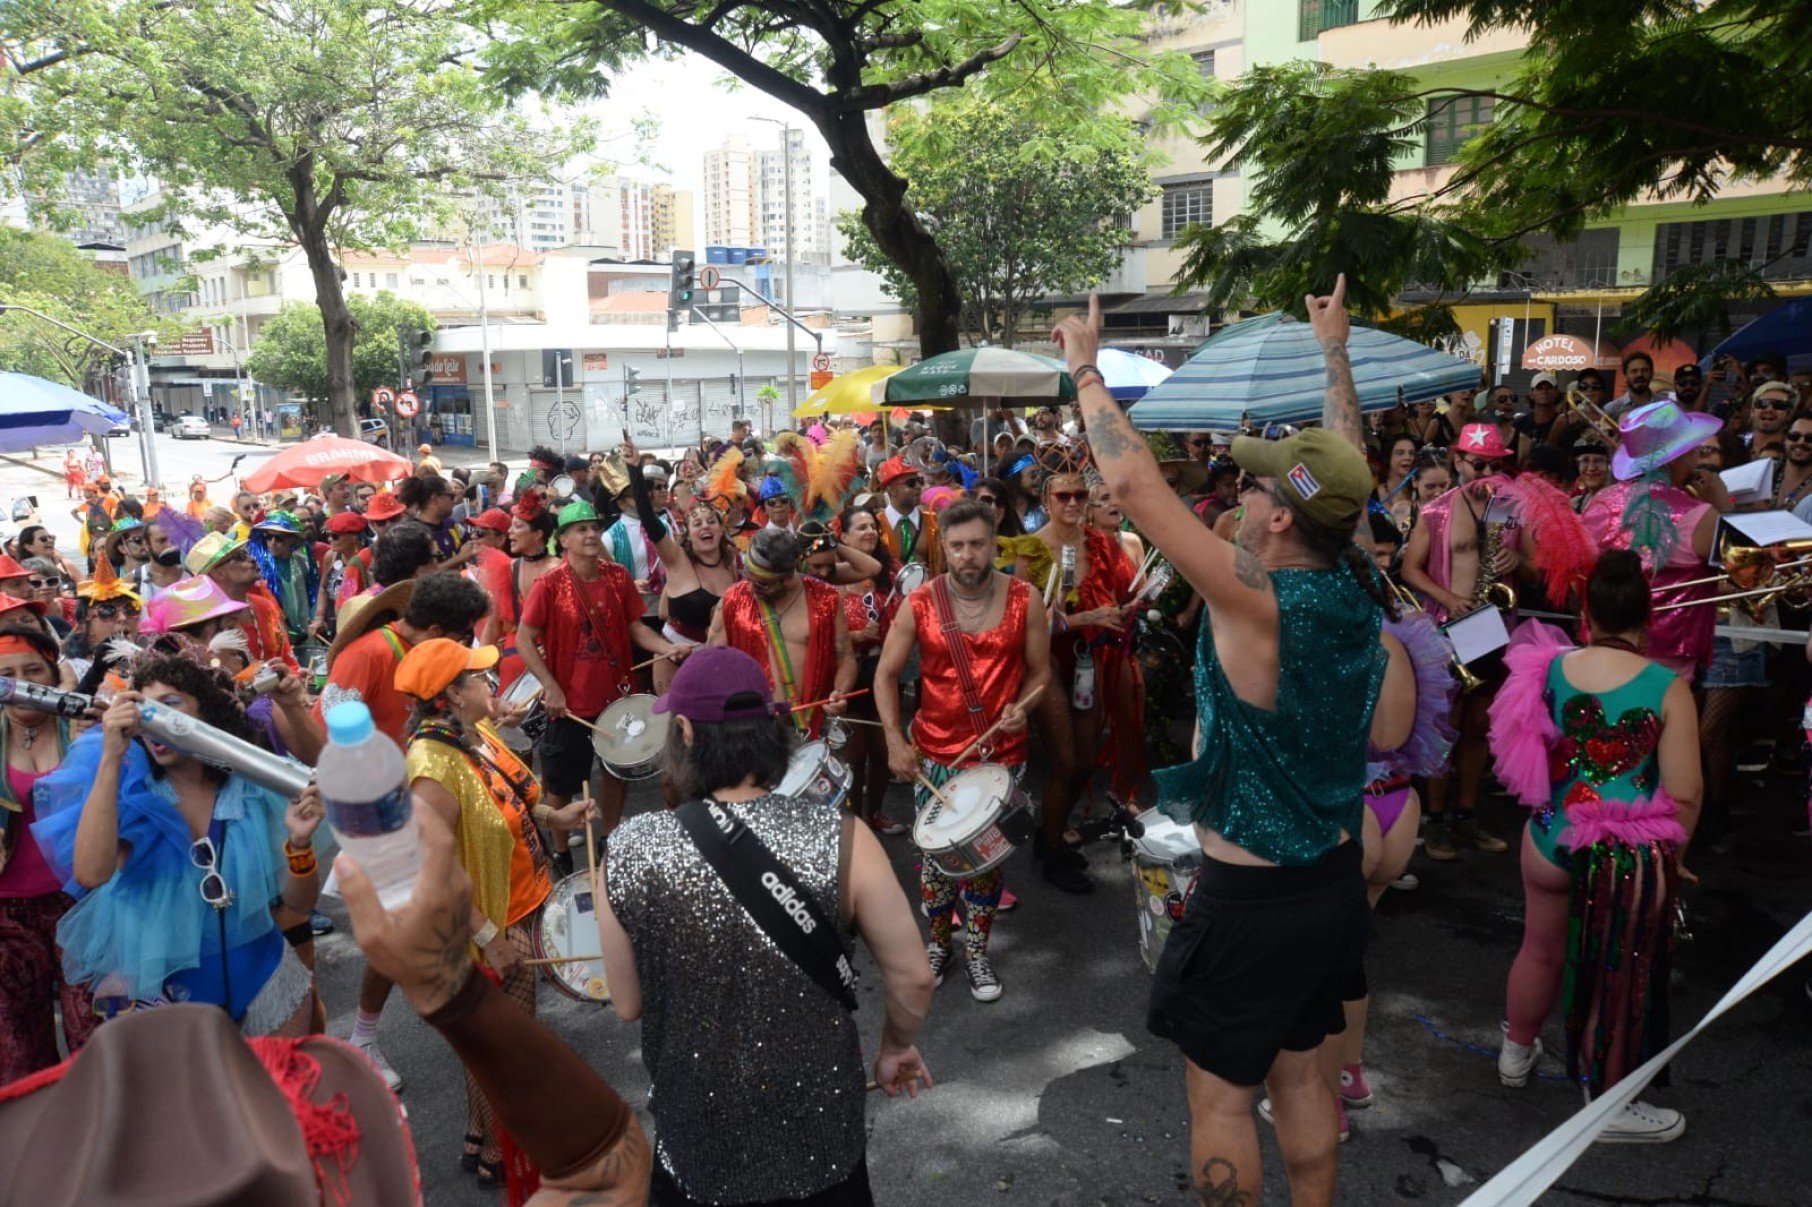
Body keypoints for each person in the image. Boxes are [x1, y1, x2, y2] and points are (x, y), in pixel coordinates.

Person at [1062, 280, 1410, 1206]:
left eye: (1255, 485)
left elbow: (1131, 483)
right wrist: (1331, 348)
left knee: (1221, 1099)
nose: (1242, 491)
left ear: (1282, 518)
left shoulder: (1256, 598)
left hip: (1251, 902)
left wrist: (1086, 367)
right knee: (1304, 1077)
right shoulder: (1357, 576)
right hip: (1330, 883)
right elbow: (1351, 469)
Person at [596, 646, 934, 1204]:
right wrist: (896, 1047)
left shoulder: (630, 847)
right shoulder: (845, 836)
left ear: (683, 731)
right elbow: (915, 977)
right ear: (772, 731)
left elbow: (629, 1003)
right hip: (822, 1139)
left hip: (698, 1141)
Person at [1490, 549, 1700, 1141]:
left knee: (1540, 949)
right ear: (1648, 614)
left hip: (1550, 831)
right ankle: (1607, 1105)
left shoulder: (1550, 668)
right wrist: (1675, 857)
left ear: (1587, 610)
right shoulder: (1667, 686)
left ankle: (1515, 1054)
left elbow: (1527, 744)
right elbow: (1685, 791)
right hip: (1623, 851)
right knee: (1615, 969)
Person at [32, 654, 325, 1036]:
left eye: (169, 706)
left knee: (281, 1093)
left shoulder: (250, 789)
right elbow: (90, 873)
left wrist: (300, 844)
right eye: (144, 711)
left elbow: (300, 904)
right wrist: (111, 755)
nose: (153, 721)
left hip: (268, 980)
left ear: (206, 714)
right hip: (164, 999)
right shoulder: (130, 794)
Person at [396, 638, 594, 1186]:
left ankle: (480, 1136)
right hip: (489, 926)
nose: (492, 682)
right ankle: (500, 1158)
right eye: (480, 678)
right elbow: (430, 869)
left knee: (491, 1040)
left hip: (521, 903)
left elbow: (522, 802)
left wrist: (563, 818)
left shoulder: (476, 734)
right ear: (452, 695)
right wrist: (488, 935)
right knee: (504, 1046)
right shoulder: (431, 767)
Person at [876, 500, 1051, 1002]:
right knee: (935, 864)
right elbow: (885, 674)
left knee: (986, 864)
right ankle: (938, 946)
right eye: (957, 547)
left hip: (1000, 757)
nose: (968, 556)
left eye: (977, 545)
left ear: (994, 544)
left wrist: (1024, 706)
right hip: (935, 757)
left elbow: (1041, 673)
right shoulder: (921, 603)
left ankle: (977, 952)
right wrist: (894, 739)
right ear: (943, 549)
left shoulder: (1025, 598)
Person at [1002, 461, 1139, 894]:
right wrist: (1085, 617)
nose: (1075, 503)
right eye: (1064, 496)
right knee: (1066, 762)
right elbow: (1027, 625)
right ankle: (1051, 850)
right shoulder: (1032, 548)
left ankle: (1051, 836)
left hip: (1090, 661)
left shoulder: (1101, 543)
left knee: (1085, 760)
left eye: (1081, 495)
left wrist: (1123, 609)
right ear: (1046, 502)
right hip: (1049, 666)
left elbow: (1120, 593)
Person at [517, 500, 688, 836]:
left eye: (594, 527)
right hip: (570, 703)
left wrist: (667, 648)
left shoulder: (618, 576)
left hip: (616, 696)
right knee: (563, 782)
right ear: (563, 540)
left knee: (616, 771)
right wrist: (551, 687)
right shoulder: (548, 585)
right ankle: (563, 851)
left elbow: (635, 627)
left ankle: (611, 835)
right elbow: (525, 640)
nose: (591, 534)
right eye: (581, 529)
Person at [1398, 422, 1521, 860]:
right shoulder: (1436, 511)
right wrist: (1449, 598)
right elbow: (1410, 569)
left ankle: (1466, 817)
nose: (1486, 471)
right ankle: (1434, 822)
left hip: (1491, 625)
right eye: (1478, 463)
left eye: (1494, 464)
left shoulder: (1506, 506)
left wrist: (1519, 557)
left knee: (1478, 727)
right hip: (1448, 627)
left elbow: (1532, 565)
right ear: (1458, 461)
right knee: (1443, 728)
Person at [0, 624, 98, 1080]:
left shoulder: (81, 727)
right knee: (18, 1050)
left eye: (32, 670)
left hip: (81, 904)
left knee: (94, 1038)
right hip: (6, 916)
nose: (21, 682)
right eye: (7, 674)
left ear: (54, 672)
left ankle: (106, 1141)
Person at [1580, 399, 1729, 680]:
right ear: (1677, 457)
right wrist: (1723, 506)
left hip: (1599, 652)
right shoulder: (1701, 515)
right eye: (1692, 448)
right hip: (1666, 668)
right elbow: (1743, 572)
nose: (1697, 456)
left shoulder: (1599, 502)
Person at [707, 527, 857, 740]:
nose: (751, 587)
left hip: (805, 725)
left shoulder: (827, 600)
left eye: (762, 583)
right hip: (749, 728)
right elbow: (712, 661)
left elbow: (845, 657)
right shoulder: (733, 599)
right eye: (749, 577)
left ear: (787, 576)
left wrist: (840, 692)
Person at [479, 489, 560, 694]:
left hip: (552, 665)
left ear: (538, 534)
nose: (510, 533)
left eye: (517, 526)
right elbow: (493, 623)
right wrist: (480, 669)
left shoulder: (559, 571)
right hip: (514, 665)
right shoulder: (508, 569)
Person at [187, 531, 300, 674]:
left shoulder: (264, 605)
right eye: (239, 557)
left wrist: (295, 675)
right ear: (218, 573)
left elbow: (287, 659)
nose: (252, 558)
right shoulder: (206, 625)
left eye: (246, 553)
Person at [247, 512, 317, 649]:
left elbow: (313, 590)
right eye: (268, 537)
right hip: (278, 633)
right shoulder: (260, 568)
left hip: (306, 629)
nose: (272, 543)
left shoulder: (302, 561)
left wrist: (315, 619)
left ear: (291, 539)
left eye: (279, 538)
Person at [874, 456, 943, 573]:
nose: (918, 487)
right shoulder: (875, 525)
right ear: (891, 490)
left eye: (919, 481)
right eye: (911, 483)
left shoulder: (933, 520)